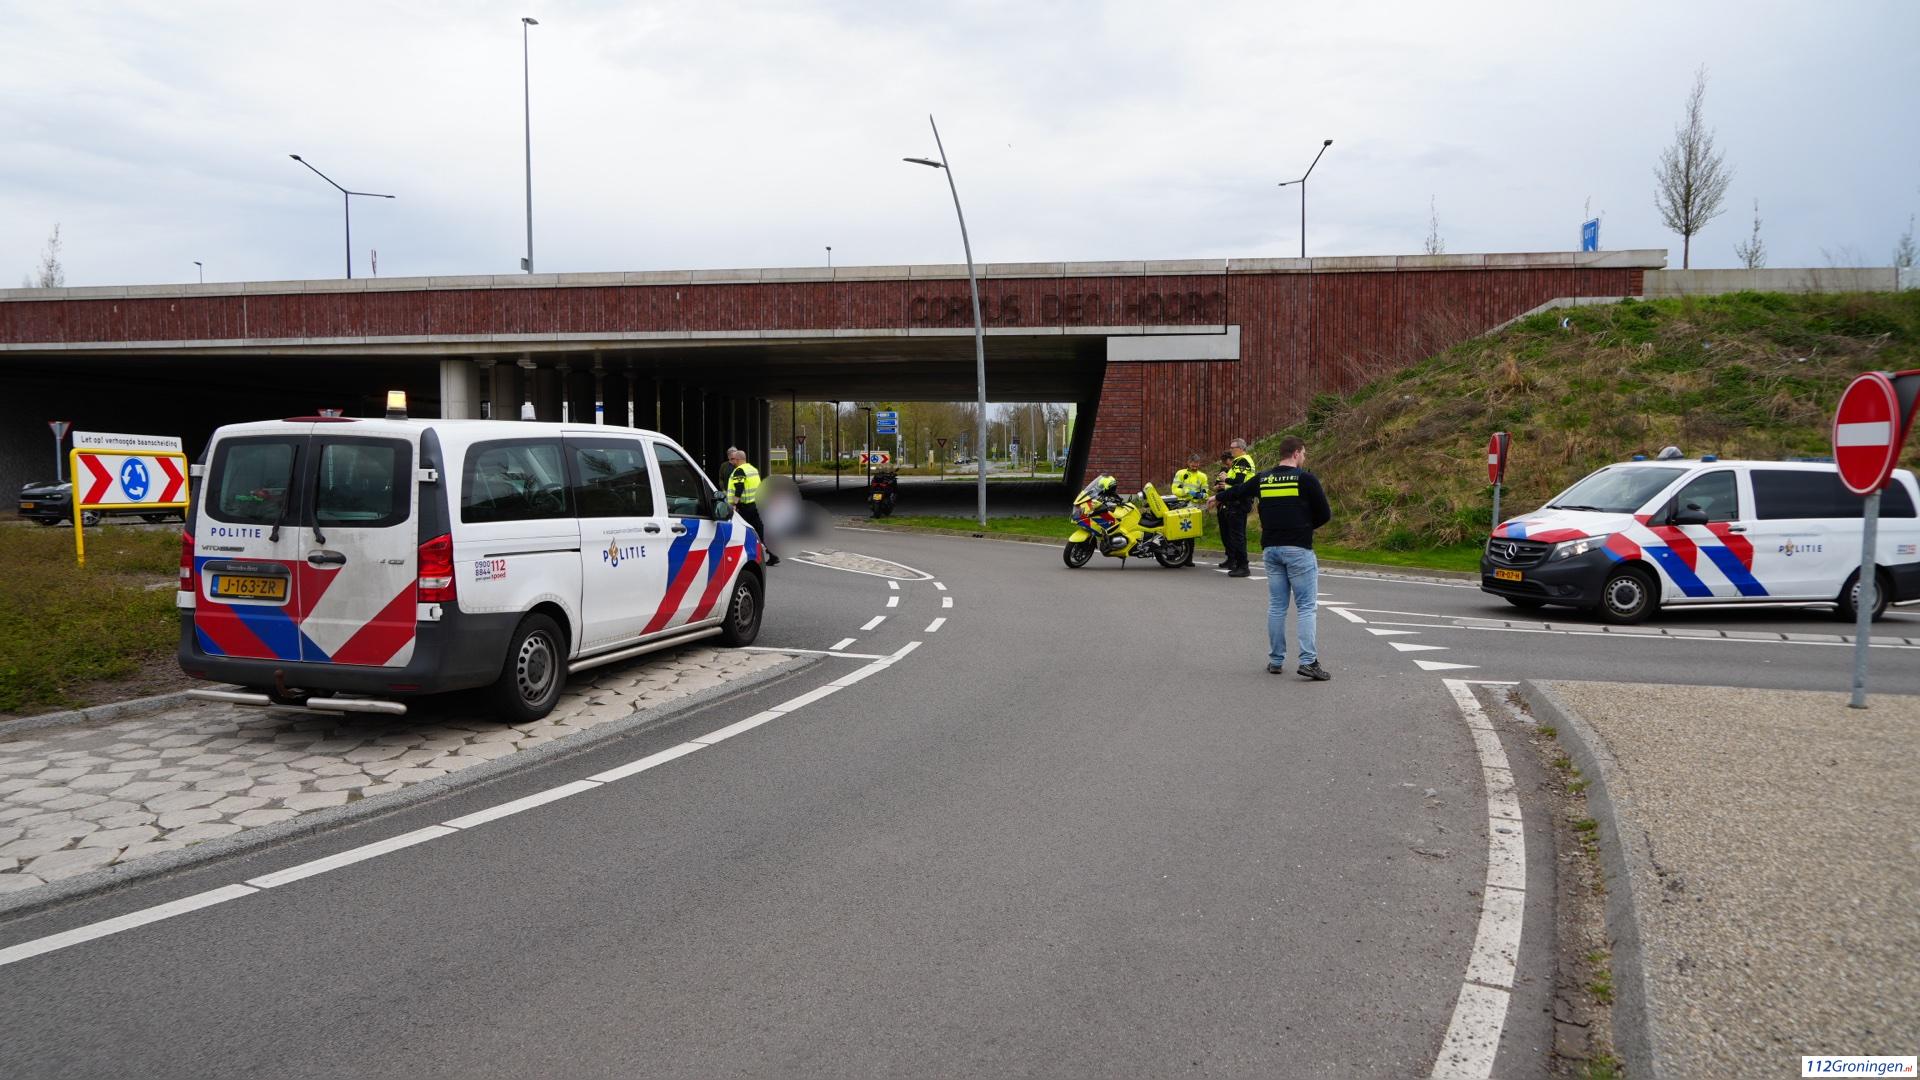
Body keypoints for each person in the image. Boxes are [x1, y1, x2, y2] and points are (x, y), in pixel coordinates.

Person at [1208, 435, 1331, 681]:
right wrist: (1305, 527)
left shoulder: (1264, 478)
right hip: (1298, 548)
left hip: (1271, 550)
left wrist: (1218, 497)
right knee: (1306, 607)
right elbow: (1324, 514)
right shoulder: (1305, 479)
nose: (1304, 457)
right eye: (1304, 453)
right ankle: (1308, 661)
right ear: (1296, 453)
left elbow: (1240, 490)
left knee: (1277, 606)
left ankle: (1276, 660)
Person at [725, 447, 779, 566]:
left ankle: (742, 557)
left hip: (746, 507)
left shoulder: (739, 471)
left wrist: (734, 504)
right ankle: (773, 554)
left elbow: (739, 488)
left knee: (740, 530)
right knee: (760, 530)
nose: (732, 462)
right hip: (757, 504)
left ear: (738, 460)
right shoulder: (753, 469)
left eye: (733, 459)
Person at [1213, 438, 1257, 577]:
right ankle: (1238, 564)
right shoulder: (1239, 461)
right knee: (1236, 535)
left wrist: (1225, 479)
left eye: (1233, 448)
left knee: (1237, 536)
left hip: (1239, 502)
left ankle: (1243, 566)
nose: (1231, 450)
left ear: (1241, 448)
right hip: (1238, 501)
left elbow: (1239, 482)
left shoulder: (1242, 461)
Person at [1169, 451, 1212, 567]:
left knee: (1190, 534)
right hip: (1180, 505)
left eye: (1197, 463)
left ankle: (1188, 559)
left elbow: (1205, 493)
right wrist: (1187, 492)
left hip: (1193, 507)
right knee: (1178, 531)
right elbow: (1174, 489)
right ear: (1188, 462)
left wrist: (1201, 495)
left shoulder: (1202, 476)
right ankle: (1173, 556)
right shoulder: (1181, 473)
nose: (1195, 466)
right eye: (1193, 463)